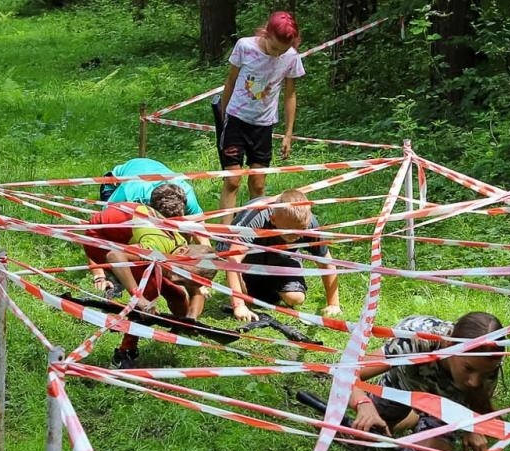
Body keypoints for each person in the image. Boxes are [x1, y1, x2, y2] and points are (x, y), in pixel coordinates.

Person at [346, 312, 505, 451]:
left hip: (445, 407)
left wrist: (472, 426)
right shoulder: (416, 340)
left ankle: (423, 420)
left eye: (485, 374)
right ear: (450, 345)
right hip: (401, 387)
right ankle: (413, 417)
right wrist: (363, 404)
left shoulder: (489, 361)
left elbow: (477, 397)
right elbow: (347, 372)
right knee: (371, 433)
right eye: (468, 368)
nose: (475, 381)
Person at [95, 184, 209, 369]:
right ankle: (125, 351)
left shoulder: (179, 245)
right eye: (179, 276)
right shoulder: (155, 243)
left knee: (177, 295)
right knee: (150, 290)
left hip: (129, 239)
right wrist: (139, 298)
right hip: (101, 239)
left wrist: (191, 317)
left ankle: (180, 327)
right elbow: (114, 255)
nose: (176, 280)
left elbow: (196, 292)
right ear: (182, 253)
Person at [215, 11, 305, 212]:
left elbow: (290, 95)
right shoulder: (245, 46)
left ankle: (252, 233)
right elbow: (230, 82)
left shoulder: (291, 57)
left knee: (258, 184)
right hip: (236, 120)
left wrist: (288, 134)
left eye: (282, 51)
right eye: (274, 48)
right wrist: (223, 116)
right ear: (266, 33)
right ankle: (225, 240)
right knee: (233, 181)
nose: (277, 54)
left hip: (263, 125)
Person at [220, 189, 342, 322]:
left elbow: (326, 262)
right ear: (273, 219)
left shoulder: (309, 224)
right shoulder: (256, 219)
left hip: (283, 256)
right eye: (289, 232)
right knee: (245, 295)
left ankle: (268, 284)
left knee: (296, 298)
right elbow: (232, 260)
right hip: (249, 255)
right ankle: (248, 283)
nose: (296, 236)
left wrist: (333, 304)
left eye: (301, 230)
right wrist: (239, 305)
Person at [99, 157, 205, 216]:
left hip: (152, 168)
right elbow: (104, 217)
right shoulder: (130, 193)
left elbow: (198, 228)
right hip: (116, 182)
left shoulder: (187, 195)